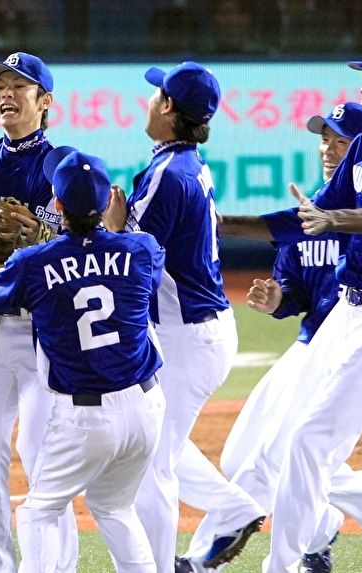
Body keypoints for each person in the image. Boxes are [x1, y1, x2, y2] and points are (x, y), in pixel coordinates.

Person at [218, 39, 362, 572]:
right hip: (346, 312)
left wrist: (333, 221)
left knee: (309, 442)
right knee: (282, 445)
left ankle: (285, 565)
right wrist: (220, 224)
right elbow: (306, 218)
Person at [0, 148, 168, 572]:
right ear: (108, 201)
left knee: (38, 511)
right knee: (114, 507)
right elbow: (133, 259)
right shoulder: (142, 248)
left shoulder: (35, 263)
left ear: (56, 204)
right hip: (147, 409)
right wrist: (114, 228)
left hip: (89, 418)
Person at [177, 102, 362, 572]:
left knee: (271, 458)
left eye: (341, 141)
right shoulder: (313, 207)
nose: (328, 149)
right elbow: (296, 287)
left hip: (350, 348)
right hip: (309, 345)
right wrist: (278, 297)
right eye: (324, 139)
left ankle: (203, 556)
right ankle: (330, 525)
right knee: (239, 457)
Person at [104, 61, 265, 571]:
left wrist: (113, 229)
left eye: (157, 94)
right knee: (153, 442)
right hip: (194, 330)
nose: (150, 100)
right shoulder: (186, 163)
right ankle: (233, 508)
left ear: (169, 107)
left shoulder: (167, 174)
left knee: (151, 462)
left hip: (186, 337)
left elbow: (134, 261)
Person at [0, 51, 79, 573]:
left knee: (42, 457)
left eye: (19, 86)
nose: (6, 95)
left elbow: (85, 237)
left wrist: (45, 238)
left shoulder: (62, 164)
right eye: (0, 87)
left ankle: (58, 567)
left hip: (43, 329)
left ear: (44, 100)